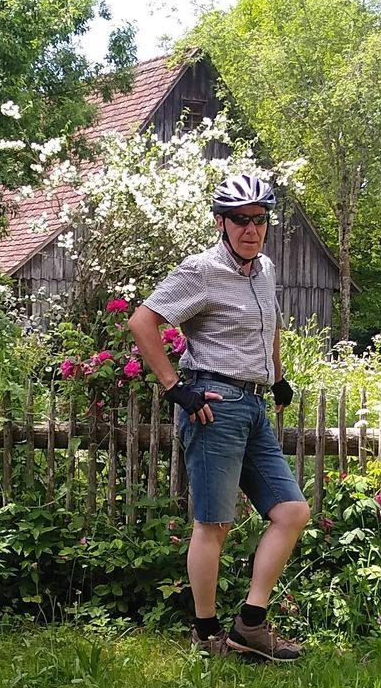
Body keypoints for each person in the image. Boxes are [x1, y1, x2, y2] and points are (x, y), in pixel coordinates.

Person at [127, 173, 311, 661]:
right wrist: (176, 389)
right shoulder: (201, 271)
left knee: (292, 512)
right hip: (214, 406)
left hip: (253, 404)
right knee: (214, 524)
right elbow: (142, 321)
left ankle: (249, 625)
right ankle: (206, 634)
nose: (252, 229)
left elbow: (270, 324)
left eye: (260, 219)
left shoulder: (265, 269)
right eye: (240, 220)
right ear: (221, 223)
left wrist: (277, 377)